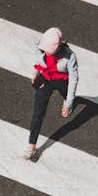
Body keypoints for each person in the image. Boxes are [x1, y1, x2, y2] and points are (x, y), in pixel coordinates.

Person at [24, 26, 78, 160]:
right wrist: (35, 73)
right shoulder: (39, 47)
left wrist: (69, 102)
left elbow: (73, 80)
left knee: (67, 95)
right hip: (45, 80)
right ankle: (32, 145)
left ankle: (66, 100)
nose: (46, 52)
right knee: (38, 113)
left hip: (62, 81)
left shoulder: (70, 56)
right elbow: (38, 60)